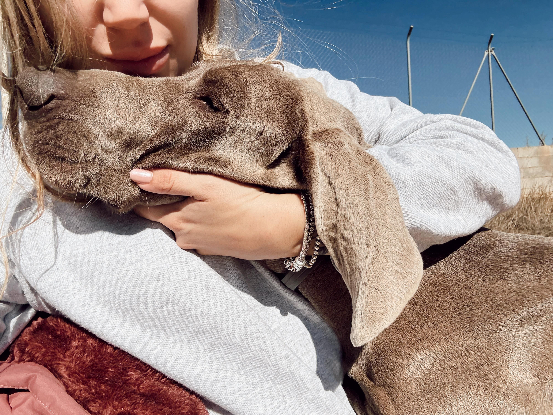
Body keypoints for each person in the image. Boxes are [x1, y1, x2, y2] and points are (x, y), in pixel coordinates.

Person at [0, 0, 520, 414]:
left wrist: (300, 221)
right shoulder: (14, 158)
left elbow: (480, 157)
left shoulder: (277, 86)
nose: (127, 13)